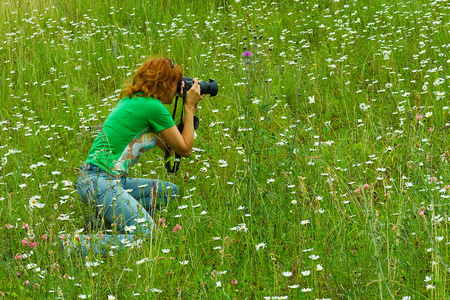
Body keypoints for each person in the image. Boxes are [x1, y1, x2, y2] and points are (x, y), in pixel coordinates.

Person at [64, 57, 204, 256]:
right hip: (102, 183)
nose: (178, 89)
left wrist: (189, 113)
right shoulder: (153, 108)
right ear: (164, 84)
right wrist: (188, 108)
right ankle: (76, 243)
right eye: (175, 83)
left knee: (168, 192)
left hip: (97, 181)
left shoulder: (134, 101)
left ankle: (102, 223)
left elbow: (170, 151)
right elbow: (185, 150)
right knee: (148, 238)